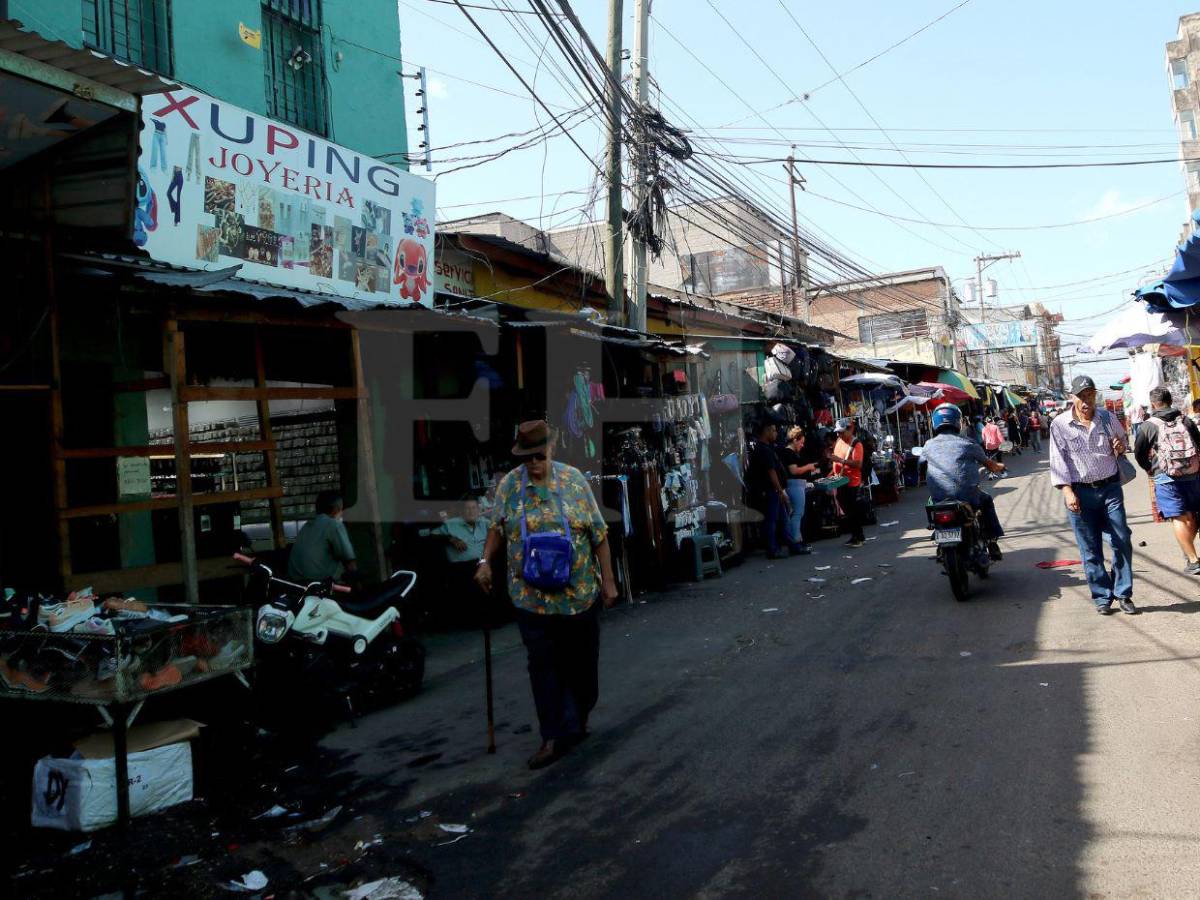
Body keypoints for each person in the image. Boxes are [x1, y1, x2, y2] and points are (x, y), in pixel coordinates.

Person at [474, 421, 617, 769]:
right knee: (542, 666)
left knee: (582, 665)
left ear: (551, 449)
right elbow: (496, 527)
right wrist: (485, 562)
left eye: (540, 456)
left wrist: (609, 582)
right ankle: (551, 736)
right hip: (531, 598)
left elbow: (598, 534)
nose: (535, 463)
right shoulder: (510, 485)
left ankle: (577, 715)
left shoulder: (574, 481)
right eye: (528, 458)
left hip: (577, 596)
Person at [1049, 375, 1136, 616]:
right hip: (1080, 493)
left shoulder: (1108, 418)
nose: (1086, 401)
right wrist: (1067, 491)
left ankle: (1123, 593)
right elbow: (1057, 460)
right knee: (1089, 548)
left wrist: (1120, 446)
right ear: (1073, 398)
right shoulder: (1059, 424)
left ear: (1095, 395)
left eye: (1090, 395)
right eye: (1081, 396)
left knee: (1121, 539)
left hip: (1110, 489)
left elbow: (1123, 441)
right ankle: (1102, 596)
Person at [922, 404, 1006, 558]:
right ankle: (992, 541)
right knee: (986, 500)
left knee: (931, 503)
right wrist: (1000, 466)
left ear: (934, 422)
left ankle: (936, 529)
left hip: (939, 498)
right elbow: (991, 465)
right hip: (967, 496)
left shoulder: (928, 445)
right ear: (958, 422)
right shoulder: (968, 443)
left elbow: (920, 466)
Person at [1134, 386, 1200, 575]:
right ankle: (1189, 552)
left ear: (1153, 404)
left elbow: (1139, 453)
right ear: (1171, 401)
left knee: (1178, 517)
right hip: (1192, 473)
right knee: (1191, 515)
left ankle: (1193, 560)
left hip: (1165, 476)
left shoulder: (1148, 425)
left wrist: (1149, 468)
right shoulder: (1185, 420)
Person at [288, 491, 358, 583]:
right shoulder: (334, 524)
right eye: (342, 509)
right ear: (336, 509)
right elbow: (350, 562)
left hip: (296, 583)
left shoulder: (307, 526)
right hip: (319, 585)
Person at [746, 419, 791, 558]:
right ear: (766, 431)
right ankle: (772, 549)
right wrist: (780, 491)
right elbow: (771, 472)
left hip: (772, 491)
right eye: (774, 430)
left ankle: (792, 545)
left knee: (782, 519)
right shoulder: (763, 450)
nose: (776, 433)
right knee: (771, 521)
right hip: (769, 491)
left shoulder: (766, 448)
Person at [778, 426, 819, 555]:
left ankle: (797, 540)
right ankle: (796, 542)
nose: (802, 445)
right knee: (797, 514)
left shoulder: (789, 452)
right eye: (801, 442)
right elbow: (794, 471)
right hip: (794, 485)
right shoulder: (789, 453)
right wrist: (808, 467)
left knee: (795, 514)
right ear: (795, 440)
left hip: (796, 485)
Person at [831, 418, 866, 548]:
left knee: (851, 510)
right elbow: (836, 459)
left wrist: (840, 461)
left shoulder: (856, 444)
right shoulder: (839, 441)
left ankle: (859, 536)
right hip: (840, 480)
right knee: (846, 508)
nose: (839, 434)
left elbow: (858, 464)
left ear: (850, 429)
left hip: (852, 481)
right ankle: (855, 535)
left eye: (841, 432)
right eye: (837, 432)